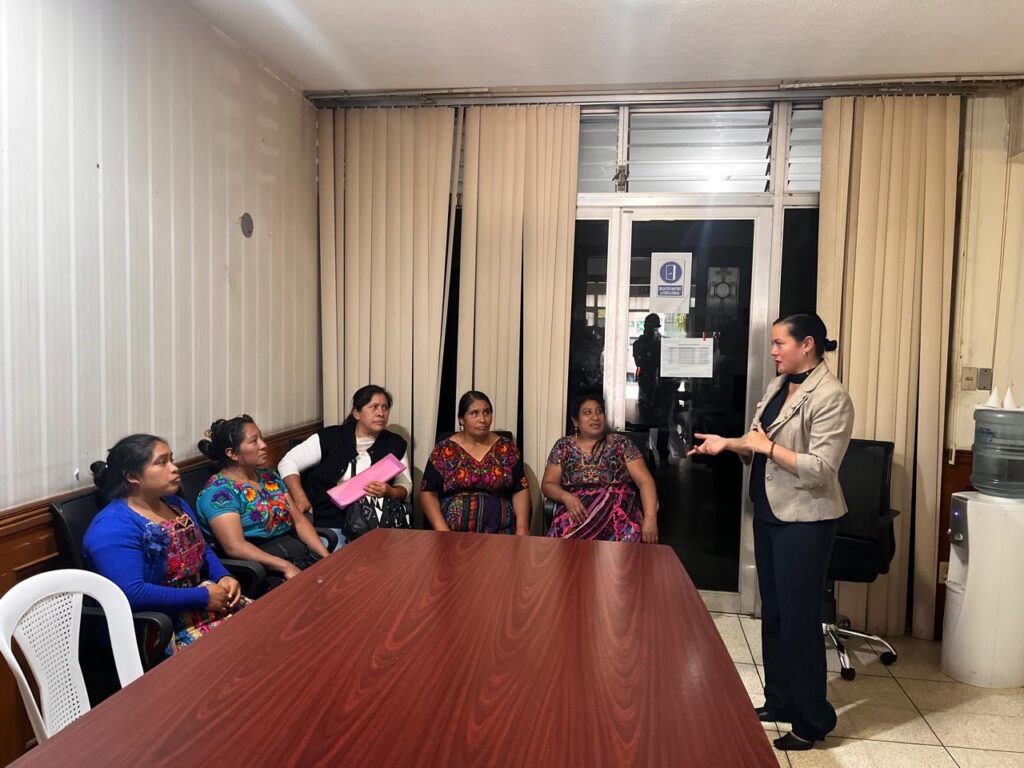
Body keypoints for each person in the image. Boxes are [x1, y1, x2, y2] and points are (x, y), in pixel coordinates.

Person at [687, 313, 853, 751]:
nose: (773, 351)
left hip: (807, 521)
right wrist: (727, 443)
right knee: (775, 613)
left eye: (780, 343)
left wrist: (768, 447)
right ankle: (780, 700)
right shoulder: (780, 385)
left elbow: (822, 468)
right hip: (770, 512)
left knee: (799, 620)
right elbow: (756, 439)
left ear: (808, 344)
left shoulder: (832, 396)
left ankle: (812, 720)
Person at [83, 434, 244, 653]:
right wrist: (203, 597)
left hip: (203, 603)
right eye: (162, 462)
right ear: (132, 476)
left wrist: (223, 576)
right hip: (158, 625)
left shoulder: (175, 504)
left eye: (172, 459)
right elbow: (132, 593)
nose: (175, 468)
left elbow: (203, 549)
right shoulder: (111, 527)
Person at [195, 415, 329, 582]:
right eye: (254, 441)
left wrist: (326, 557)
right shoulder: (219, 494)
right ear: (232, 453)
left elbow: (299, 521)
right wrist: (285, 566)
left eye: (261, 438)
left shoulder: (268, 477)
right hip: (264, 568)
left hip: (297, 553)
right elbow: (235, 546)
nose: (264, 445)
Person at [278, 385, 412, 549]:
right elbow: (288, 462)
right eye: (373, 407)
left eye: (385, 408)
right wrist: (300, 498)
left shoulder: (394, 443)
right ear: (356, 413)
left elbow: (405, 485)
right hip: (329, 521)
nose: (381, 413)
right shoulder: (331, 437)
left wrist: (390, 491)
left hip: (373, 523)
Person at [543, 394, 659, 543]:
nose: (595, 417)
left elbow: (645, 482)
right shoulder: (563, 446)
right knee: (563, 551)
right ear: (575, 421)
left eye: (599, 411)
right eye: (587, 412)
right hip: (577, 516)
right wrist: (565, 497)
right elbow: (548, 484)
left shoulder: (622, 444)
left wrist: (650, 518)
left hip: (619, 518)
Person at [420, 391, 530, 535]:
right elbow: (428, 492)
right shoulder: (444, 450)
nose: (482, 419)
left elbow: (520, 489)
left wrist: (522, 528)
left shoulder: (506, 448)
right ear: (461, 419)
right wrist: (442, 530)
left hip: (501, 533)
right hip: (453, 534)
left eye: (487, 412)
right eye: (474, 413)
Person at [632, 312, 662, 424]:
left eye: (655, 328)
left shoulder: (660, 343)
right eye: (651, 328)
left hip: (660, 385)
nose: (653, 331)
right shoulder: (639, 344)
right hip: (646, 382)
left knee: (659, 419)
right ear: (645, 327)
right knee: (645, 416)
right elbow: (639, 362)